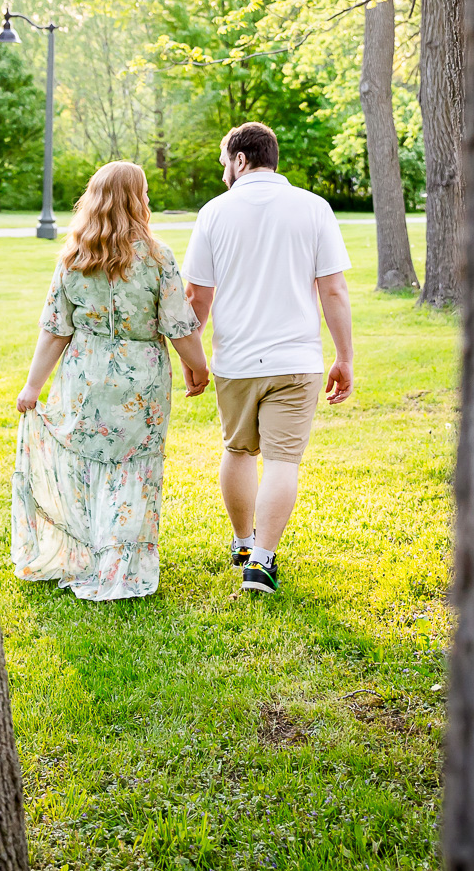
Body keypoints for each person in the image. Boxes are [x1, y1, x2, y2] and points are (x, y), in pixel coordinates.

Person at [11, 161, 211, 600]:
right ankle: (120, 567)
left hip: (85, 373)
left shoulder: (74, 255)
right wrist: (199, 367)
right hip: (141, 381)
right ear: (136, 198)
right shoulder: (158, 256)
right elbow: (179, 325)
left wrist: (33, 386)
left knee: (88, 462)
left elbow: (55, 329)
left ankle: (83, 557)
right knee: (133, 468)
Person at [184, 121, 353, 594]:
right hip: (296, 361)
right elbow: (334, 290)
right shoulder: (314, 208)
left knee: (238, 450)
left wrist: (193, 357)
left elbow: (197, 295)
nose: (223, 173)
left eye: (224, 163)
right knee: (282, 461)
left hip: (235, 360)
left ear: (240, 160)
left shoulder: (215, 213)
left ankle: (242, 542)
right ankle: (261, 561)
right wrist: (345, 357)